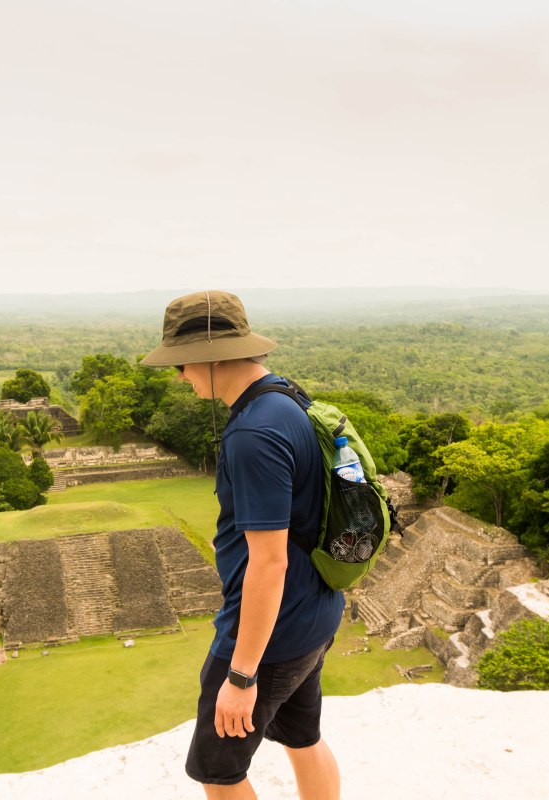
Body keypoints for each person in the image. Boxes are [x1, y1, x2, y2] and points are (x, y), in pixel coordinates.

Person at [141, 290, 344, 800]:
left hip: (271, 635)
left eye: (181, 363)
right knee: (303, 738)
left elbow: (269, 564)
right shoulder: (286, 399)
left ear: (210, 357)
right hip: (316, 613)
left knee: (218, 772)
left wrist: (241, 675)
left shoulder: (253, 433)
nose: (180, 375)